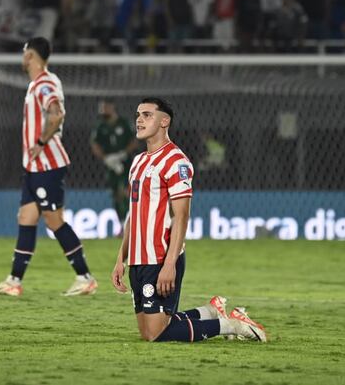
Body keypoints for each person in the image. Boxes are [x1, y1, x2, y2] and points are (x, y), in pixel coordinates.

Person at [111, 98, 267, 342]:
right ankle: (211, 310)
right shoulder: (138, 162)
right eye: (138, 114)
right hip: (138, 260)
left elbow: (181, 216)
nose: (139, 119)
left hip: (161, 257)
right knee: (147, 331)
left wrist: (170, 263)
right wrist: (121, 258)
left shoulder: (176, 161)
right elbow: (134, 214)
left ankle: (232, 325)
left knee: (156, 333)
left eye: (147, 114)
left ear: (165, 121)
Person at [0, 37, 98, 297]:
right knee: (26, 219)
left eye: (24, 53)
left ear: (30, 56)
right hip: (35, 167)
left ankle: (85, 277)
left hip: (48, 165)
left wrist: (39, 142)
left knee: (54, 221)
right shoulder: (38, 83)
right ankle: (14, 280)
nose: (22, 57)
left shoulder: (45, 83)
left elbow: (56, 114)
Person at [90, 100, 138, 224]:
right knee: (116, 193)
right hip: (110, 164)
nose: (102, 111)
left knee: (126, 191)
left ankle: (131, 220)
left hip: (127, 163)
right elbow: (94, 144)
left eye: (104, 108)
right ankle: (122, 223)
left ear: (112, 107)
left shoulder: (124, 123)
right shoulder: (100, 126)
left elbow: (134, 140)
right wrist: (105, 158)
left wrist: (123, 154)